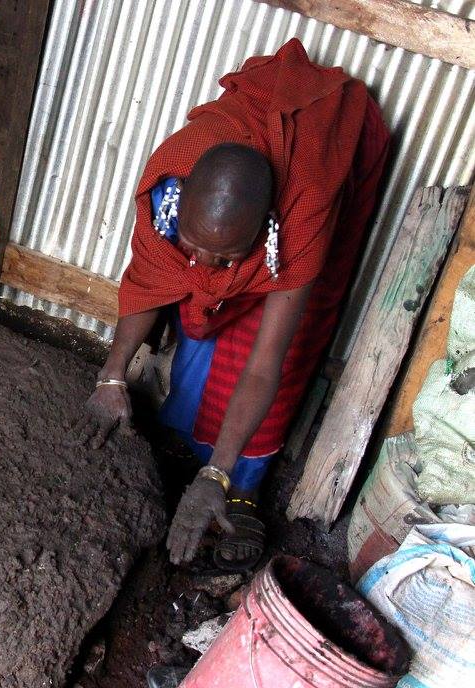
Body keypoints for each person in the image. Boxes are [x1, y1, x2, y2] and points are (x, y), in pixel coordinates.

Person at [81, 39, 389, 571]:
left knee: (274, 355)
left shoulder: (300, 220)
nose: (204, 264)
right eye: (195, 245)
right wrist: (112, 377)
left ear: (264, 232)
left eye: (226, 255)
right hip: (233, 205)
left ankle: (237, 486)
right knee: (199, 331)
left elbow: (267, 364)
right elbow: (151, 279)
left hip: (310, 185)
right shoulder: (168, 187)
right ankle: (183, 449)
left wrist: (217, 475)